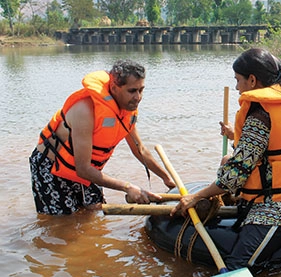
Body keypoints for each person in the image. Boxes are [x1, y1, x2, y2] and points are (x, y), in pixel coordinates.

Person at [172, 48, 281, 271]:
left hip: (280, 211)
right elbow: (269, 149)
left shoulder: (260, 114)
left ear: (252, 80)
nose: (236, 87)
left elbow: (235, 175)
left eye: (238, 80)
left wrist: (197, 196)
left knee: (237, 265)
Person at [30, 60, 175, 215]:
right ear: (114, 88)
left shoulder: (126, 111)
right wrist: (127, 187)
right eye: (132, 91)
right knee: (63, 222)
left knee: (93, 215)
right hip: (53, 169)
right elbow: (83, 169)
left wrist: (166, 179)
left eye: (141, 90)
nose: (138, 97)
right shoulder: (85, 111)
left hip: (87, 170)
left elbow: (140, 149)